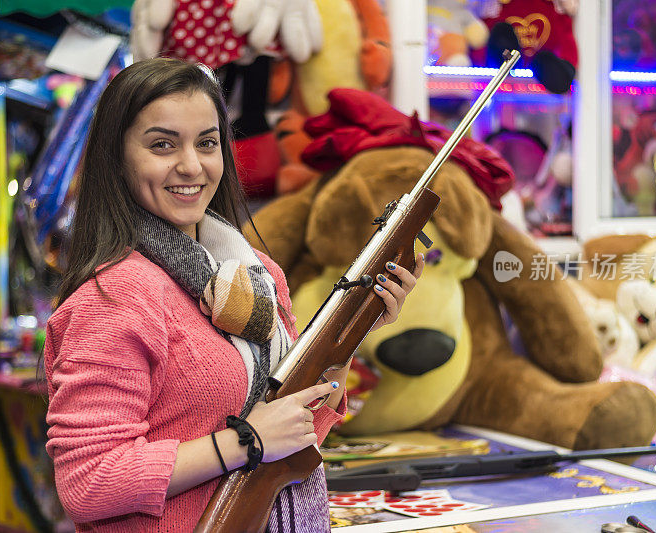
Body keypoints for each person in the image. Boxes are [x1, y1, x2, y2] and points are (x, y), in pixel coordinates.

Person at [43, 57, 424, 532]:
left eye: (207, 143)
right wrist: (246, 442)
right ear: (116, 158)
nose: (191, 165)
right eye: (162, 145)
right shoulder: (111, 299)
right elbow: (89, 483)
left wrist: (355, 328)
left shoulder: (257, 274)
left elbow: (298, 430)